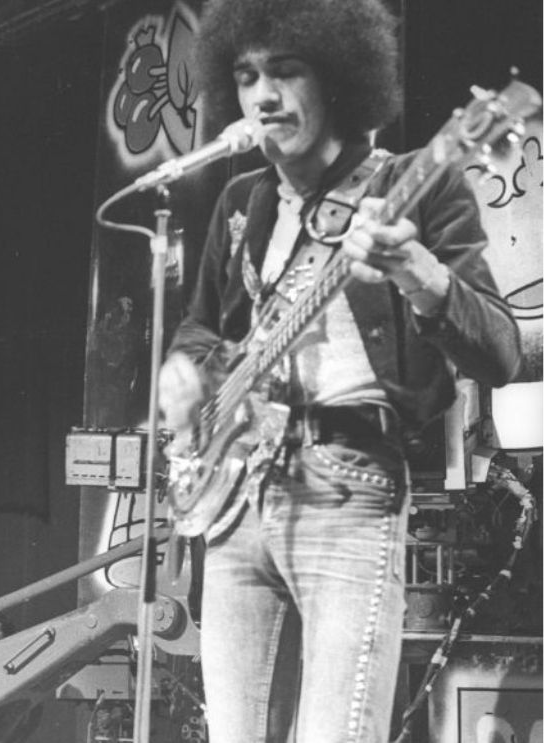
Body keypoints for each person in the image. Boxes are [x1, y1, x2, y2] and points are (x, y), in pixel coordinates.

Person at [157, 1, 522, 741]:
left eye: (286, 71)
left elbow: (501, 351)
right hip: (233, 502)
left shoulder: (415, 185)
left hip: (348, 490)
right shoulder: (240, 203)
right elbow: (201, 326)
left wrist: (414, 268)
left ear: (338, 80)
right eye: (246, 74)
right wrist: (186, 375)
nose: (262, 95)